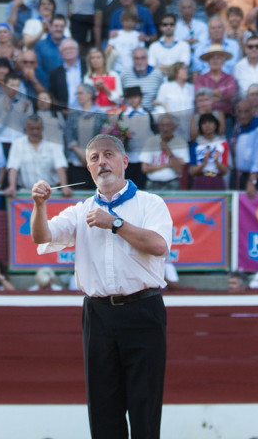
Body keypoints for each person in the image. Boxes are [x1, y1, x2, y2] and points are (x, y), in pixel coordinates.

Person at [30, 133, 172, 439]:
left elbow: (159, 246)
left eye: (108, 155)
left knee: (144, 408)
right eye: (94, 158)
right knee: (103, 408)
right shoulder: (80, 211)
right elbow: (42, 237)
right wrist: (39, 206)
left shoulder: (150, 203)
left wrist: (115, 223)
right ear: (88, 168)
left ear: (124, 162)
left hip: (143, 310)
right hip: (98, 315)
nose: (102, 162)